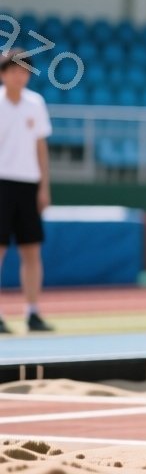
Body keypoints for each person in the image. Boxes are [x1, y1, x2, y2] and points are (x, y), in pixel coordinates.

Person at [0, 50, 54, 332]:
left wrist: (43, 186)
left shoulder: (36, 103)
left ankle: (33, 312)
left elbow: (40, 148)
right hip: (2, 182)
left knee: (31, 250)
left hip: (28, 185)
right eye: (13, 70)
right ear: (3, 73)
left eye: (24, 71)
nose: (19, 76)